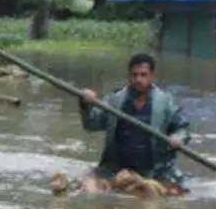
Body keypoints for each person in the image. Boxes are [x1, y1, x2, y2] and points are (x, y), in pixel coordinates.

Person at [79, 53, 192, 192]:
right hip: (116, 171)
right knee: (86, 189)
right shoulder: (115, 100)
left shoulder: (166, 102)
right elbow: (91, 124)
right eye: (134, 75)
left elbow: (183, 128)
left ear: (152, 76)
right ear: (128, 76)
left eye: (143, 75)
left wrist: (178, 137)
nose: (138, 79)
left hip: (155, 172)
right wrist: (86, 104)